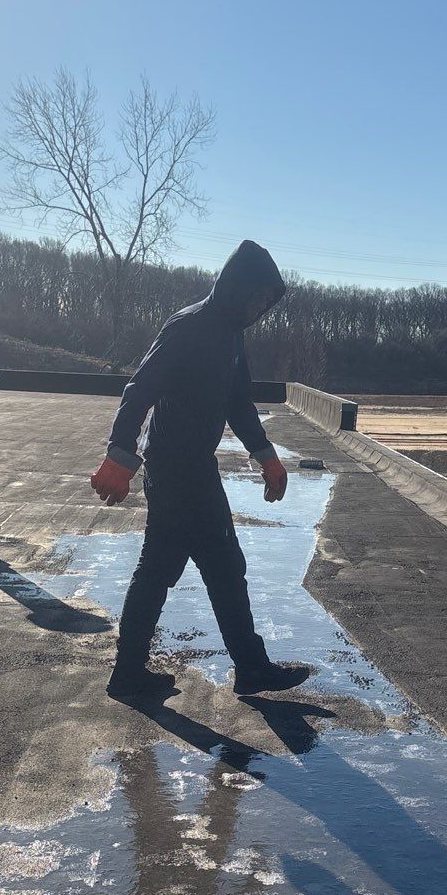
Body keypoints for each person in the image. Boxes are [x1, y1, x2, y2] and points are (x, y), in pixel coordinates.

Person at [89, 239, 314, 700]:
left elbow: (237, 401)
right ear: (236, 287)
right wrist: (119, 455)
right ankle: (244, 669)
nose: (259, 309)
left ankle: (133, 672)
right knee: (206, 567)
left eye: (266, 304)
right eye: (257, 298)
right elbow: (140, 388)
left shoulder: (232, 334)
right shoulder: (189, 327)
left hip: (195, 467)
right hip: (174, 469)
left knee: (177, 568)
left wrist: (265, 454)